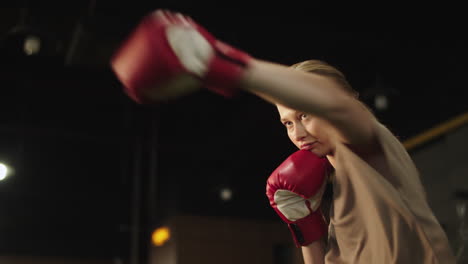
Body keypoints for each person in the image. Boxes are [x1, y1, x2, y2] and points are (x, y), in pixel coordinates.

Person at [110, 9, 456, 263]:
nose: (298, 133)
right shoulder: (337, 190)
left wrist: (215, 61)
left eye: (304, 114)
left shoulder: (370, 150)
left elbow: (338, 108)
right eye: (288, 123)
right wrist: (307, 230)